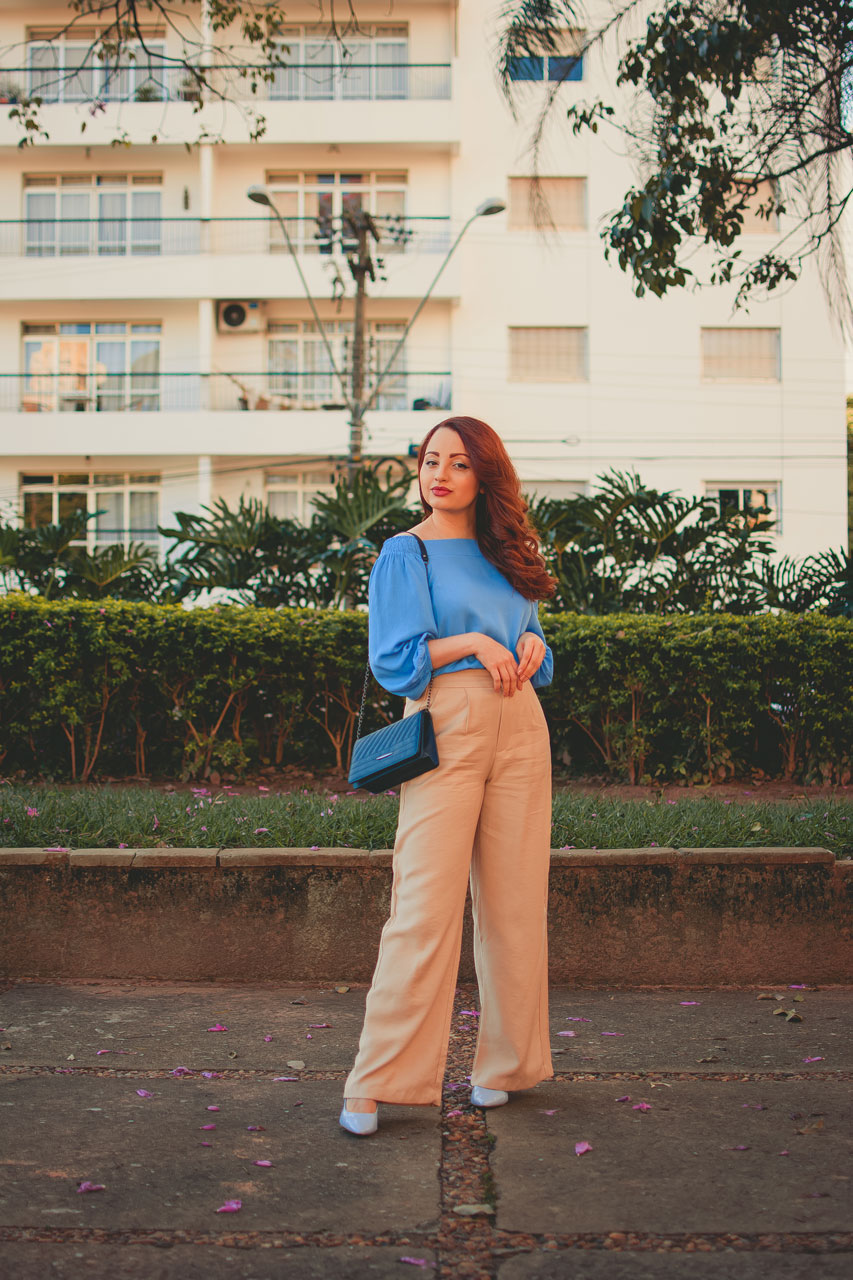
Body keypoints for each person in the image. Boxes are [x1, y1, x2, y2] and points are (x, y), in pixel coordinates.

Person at [339, 415, 556, 1136]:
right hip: (448, 721)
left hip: (520, 723)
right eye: (431, 460)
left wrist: (528, 642)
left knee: (515, 905)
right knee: (423, 908)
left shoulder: (506, 552)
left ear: (482, 475)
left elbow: (539, 646)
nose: (440, 474)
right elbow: (395, 658)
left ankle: (507, 1064)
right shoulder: (407, 554)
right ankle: (377, 1081)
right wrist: (467, 641)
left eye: (459, 463)